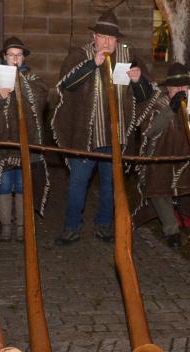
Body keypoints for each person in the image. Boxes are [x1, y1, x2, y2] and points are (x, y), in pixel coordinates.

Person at [51, 9, 158, 245]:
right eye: (102, 36)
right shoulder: (80, 55)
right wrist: (92, 64)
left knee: (112, 185)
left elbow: (145, 97)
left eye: (111, 38)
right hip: (85, 137)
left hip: (116, 138)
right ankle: (71, 227)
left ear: (117, 39)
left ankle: (104, 225)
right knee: (78, 184)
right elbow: (66, 85)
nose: (106, 42)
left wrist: (139, 80)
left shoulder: (129, 56)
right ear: (94, 37)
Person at [134, 63, 190, 247]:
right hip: (166, 158)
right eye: (176, 87)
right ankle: (171, 230)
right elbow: (150, 131)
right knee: (158, 180)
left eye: (185, 86)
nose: (181, 90)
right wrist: (170, 110)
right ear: (168, 88)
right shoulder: (159, 104)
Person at [0, 37, 49, 242]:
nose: (15, 58)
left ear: (23, 57)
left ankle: (21, 226)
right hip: (1, 142)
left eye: (19, 55)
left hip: (27, 142)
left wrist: (20, 82)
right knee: (4, 185)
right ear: (4, 57)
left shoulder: (33, 78)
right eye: (11, 55)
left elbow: (41, 99)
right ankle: (6, 225)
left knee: (23, 185)